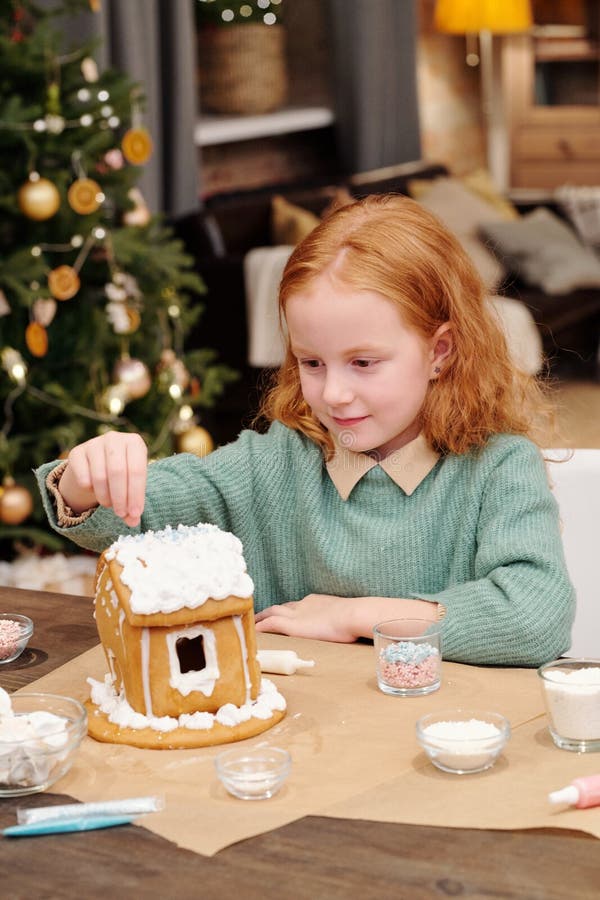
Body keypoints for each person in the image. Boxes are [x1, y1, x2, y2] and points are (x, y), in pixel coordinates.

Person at [36, 194, 575, 666]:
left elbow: (534, 615)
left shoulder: (499, 466)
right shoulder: (280, 460)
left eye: (363, 363)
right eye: (311, 362)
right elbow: (133, 512)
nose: (333, 393)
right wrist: (90, 476)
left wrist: (352, 617)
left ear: (440, 351)